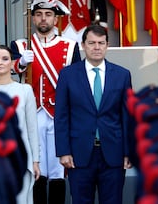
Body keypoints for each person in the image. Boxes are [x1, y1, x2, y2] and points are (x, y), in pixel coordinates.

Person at [9, 0, 81, 204]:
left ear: (55, 19)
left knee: (58, 168)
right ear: (32, 18)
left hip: (60, 114)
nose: (43, 19)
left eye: (48, 15)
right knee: (37, 167)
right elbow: (9, 69)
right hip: (32, 113)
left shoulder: (70, 45)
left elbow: (76, 83)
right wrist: (20, 63)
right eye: (39, 14)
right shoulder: (21, 45)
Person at [54, 24, 133, 204]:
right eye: (91, 43)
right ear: (83, 45)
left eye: (101, 43)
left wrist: (129, 151)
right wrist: (63, 151)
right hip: (79, 155)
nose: (96, 47)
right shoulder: (67, 75)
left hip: (114, 155)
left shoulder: (122, 75)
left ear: (107, 45)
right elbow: (61, 116)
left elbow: (127, 117)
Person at [0, 44, 41, 204]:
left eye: (4, 59)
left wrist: (35, 161)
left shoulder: (25, 90)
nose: (0, 62)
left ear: (11, 63)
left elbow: (32, 129)